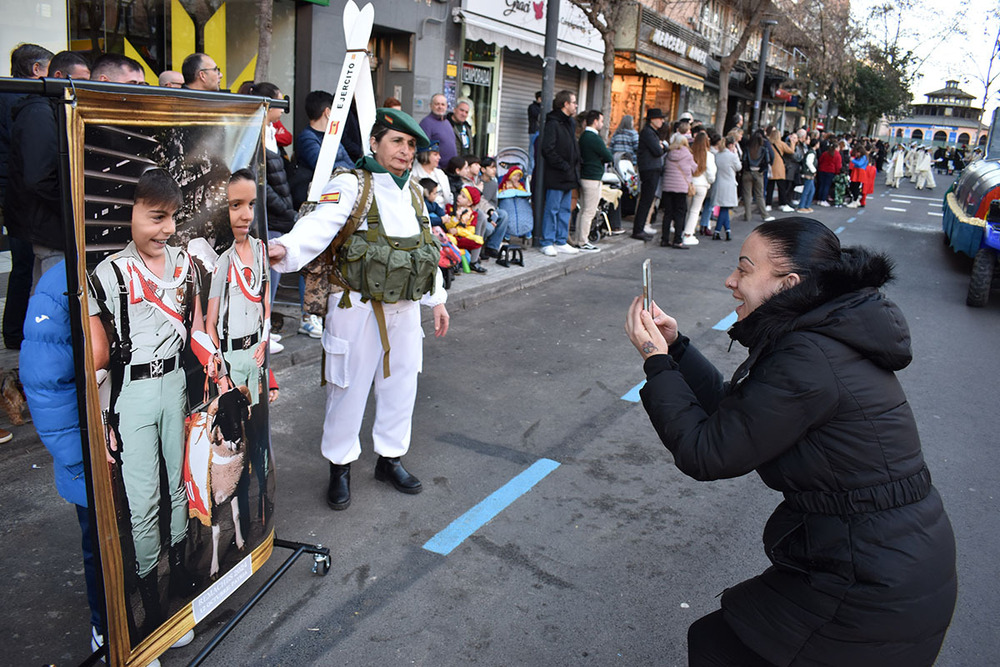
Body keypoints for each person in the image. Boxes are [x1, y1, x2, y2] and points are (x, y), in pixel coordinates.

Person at [625, 217, 957, 667]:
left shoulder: (809, 355)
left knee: (718, 645)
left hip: (874, 578)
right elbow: (736, 413)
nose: (730, 280)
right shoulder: (817, 334)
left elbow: (707, 452)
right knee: (715, 641)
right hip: (880, 556)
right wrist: (677, 349)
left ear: (790, 283)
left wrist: (656, 363)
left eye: (744, 269)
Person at [267, 108, 449, 511]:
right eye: (397, 141)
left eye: (411, 144)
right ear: (374, 143)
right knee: (346, 387)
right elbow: (320, 225)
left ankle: (389, 459)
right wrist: (286, 248)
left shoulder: (415, 191)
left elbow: (423, 251)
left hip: (404, 309)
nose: (405, 151)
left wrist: (436, 300)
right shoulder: (351, 184)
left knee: (402, 385)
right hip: (355, 305)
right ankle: (340, 467)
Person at [89, 169, 208, 635]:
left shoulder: (184, 264)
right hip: (132, 395)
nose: (166, 229)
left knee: (178, 486)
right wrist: (103, 419)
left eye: (172, 218)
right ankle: (149, 596)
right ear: (130, 212)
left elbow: (198, 327)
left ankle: (177, 571)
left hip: (175, 383)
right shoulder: (108, 274)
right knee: (144, 500)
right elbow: (98, 359)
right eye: (156, 217)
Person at [539, 90, 580, 257]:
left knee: (565, 209)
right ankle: (547, 241)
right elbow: (547, 149)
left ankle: (561, 240)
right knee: (552, 208)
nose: (576, 105)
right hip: (557, 174)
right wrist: (563, 165)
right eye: (574, 102)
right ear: (565, 104)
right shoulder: (553, 123)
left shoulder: (570, 123)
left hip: (569, 174)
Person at [575, 109, 613, 251]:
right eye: (601, 121)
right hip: (592, 177)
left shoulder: (583, 136)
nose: (602, 124)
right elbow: (608, 156)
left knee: (583, 210)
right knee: (589, 211)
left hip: (585, 175)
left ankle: (579, 238)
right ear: (595, 121)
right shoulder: (594, 138)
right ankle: (583, 241)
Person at [632, 108, 667, 241]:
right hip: (649, 169)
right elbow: (658, 150)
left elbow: (661, 148)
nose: (662, 121)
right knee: (646, 200)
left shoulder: (652, 133)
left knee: (648, 199)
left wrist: (662, 147)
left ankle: (640, 228)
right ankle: (638, 229)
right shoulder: (648, 133)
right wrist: (662, 146)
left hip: (652, 168)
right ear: (652, 119)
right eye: (660, 118)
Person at [658, 135, 696, 249]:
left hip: (668, 186)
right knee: (680, 213)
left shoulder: (669, 153)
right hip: (681, 187)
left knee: (668, 213)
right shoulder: (687, 154)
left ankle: (664, 239)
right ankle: (677, 240)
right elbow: (694, 168)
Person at [682, 131, 714, 246]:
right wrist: (710, 181)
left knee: (689, 209)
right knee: (695, 211)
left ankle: (684, 231)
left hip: (690, 184)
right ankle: (688, 234)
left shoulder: (691, 153)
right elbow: (711, 174)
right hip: (702, 185)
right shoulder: (709, 155)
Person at [740, 129, 774, 222]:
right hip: (758, 173)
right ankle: (765, 215)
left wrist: (747, 169)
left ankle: (747, 215)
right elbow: (767, 161)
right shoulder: (763, 149)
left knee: (747, 195)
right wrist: (761, 170)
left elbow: (744, 160)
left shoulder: (747, 148)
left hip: (747, 172)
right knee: (759, 195)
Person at [711, 136, 740, 241]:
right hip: (729, 183)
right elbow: (739, 167)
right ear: (731, 145)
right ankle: (718, 231)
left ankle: (727, 231)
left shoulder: (717, 155)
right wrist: (735, 153)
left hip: (719, 183)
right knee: (725, 208)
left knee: (724, 208)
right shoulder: (732, 156)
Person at [419, 94, 460, 166]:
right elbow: (423, 149)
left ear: (446, 106)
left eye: (443, 104)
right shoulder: (426, 123)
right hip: (437, 170)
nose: (440, 107)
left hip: (451, 169)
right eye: (437, 104)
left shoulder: (447, 122)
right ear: (430, 106)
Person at [411, 140, 452, 207]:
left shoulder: (440, 173)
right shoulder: (414, 175)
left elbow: (448, 197)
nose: (439, 157)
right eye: (435, 154)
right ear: (425, 156)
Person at [796, 137, 817, 213]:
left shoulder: (812, 152)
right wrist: (814, 170)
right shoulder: (811, 153)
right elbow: (809, 163)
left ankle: (806, 205)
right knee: (807, 190)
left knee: (811, 190)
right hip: (808, 174)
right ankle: (802, 206)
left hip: (810, 174)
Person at [527, 91, 542, 174]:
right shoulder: (532, 107)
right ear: (539, 98)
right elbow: (538, 116)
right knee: (532, 153)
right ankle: (530, 173)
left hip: (541, 132)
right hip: (534, 132)